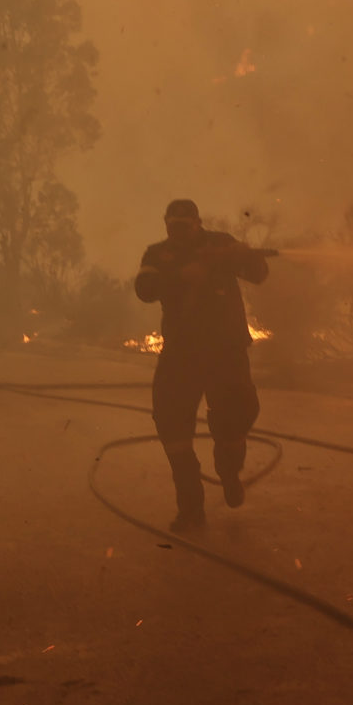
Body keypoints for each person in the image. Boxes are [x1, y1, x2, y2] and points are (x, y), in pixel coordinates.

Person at [133, 199, 269, 532]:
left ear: (198, 223)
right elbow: (144, 289)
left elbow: (259, 273)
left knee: (235, 419)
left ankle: (229, 473)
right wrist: (181, 276)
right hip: (182, 353)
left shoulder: (220, 244)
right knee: (171, 424)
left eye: (185, 224)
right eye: (172, 225)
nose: (178, 231)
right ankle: (191, 509)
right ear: (165, 225)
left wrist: (244, 255)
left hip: (226, 351)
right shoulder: (157, 254)